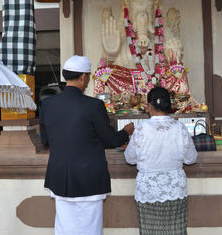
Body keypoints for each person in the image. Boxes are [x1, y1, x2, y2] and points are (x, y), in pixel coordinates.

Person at [39, 55, 134, 235]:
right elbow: (111, 140)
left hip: (60, 176)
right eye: (88, 77)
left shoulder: (48, 105)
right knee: (90, 228)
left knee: (64, 227)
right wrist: (126, 131)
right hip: (89, 179)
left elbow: (45, 140)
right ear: (83, 77)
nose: (88, 81)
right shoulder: (94, 105)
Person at [124, 87, 197, 235]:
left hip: (148, 191)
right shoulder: (180, 128)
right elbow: (191, 159)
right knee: (176, 231)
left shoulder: (141, 129)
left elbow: (130, 159)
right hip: (175, 189)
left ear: (149, 106)